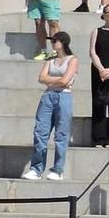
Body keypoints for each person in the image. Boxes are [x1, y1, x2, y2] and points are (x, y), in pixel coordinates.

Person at [21, 34, 77, 181]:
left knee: (61, 134)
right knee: (40, 131)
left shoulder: (72, 60)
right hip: (48, 96)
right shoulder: (50, 58)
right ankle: (36, 168)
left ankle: (58, 169)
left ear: (63, 43)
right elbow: (41, 78)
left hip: (64, 96)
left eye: (55, 41)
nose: (52, 44)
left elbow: (66, 81)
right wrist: (58, 80)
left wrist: (52, 80)